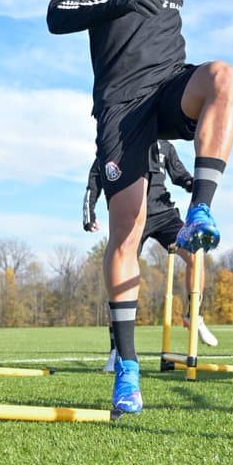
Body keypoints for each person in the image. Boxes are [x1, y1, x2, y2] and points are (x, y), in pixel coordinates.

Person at [48, 0, 233, 413]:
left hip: (169, 87)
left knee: (225, 76)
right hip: (121, 105)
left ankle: (201, 210)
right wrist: (116, 3)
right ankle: (127, 368)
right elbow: (57, 15)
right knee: (126, 233)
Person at [85, 140, 217, 373]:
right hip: (132, 216)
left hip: (164, 215)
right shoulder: (120, 141)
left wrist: (195, 184)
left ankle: (193, 315)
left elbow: (181, 176)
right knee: (119, 275)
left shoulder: (165, 147)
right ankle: (117, 350)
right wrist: (89, 212)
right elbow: (96, 176)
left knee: (196, 254)